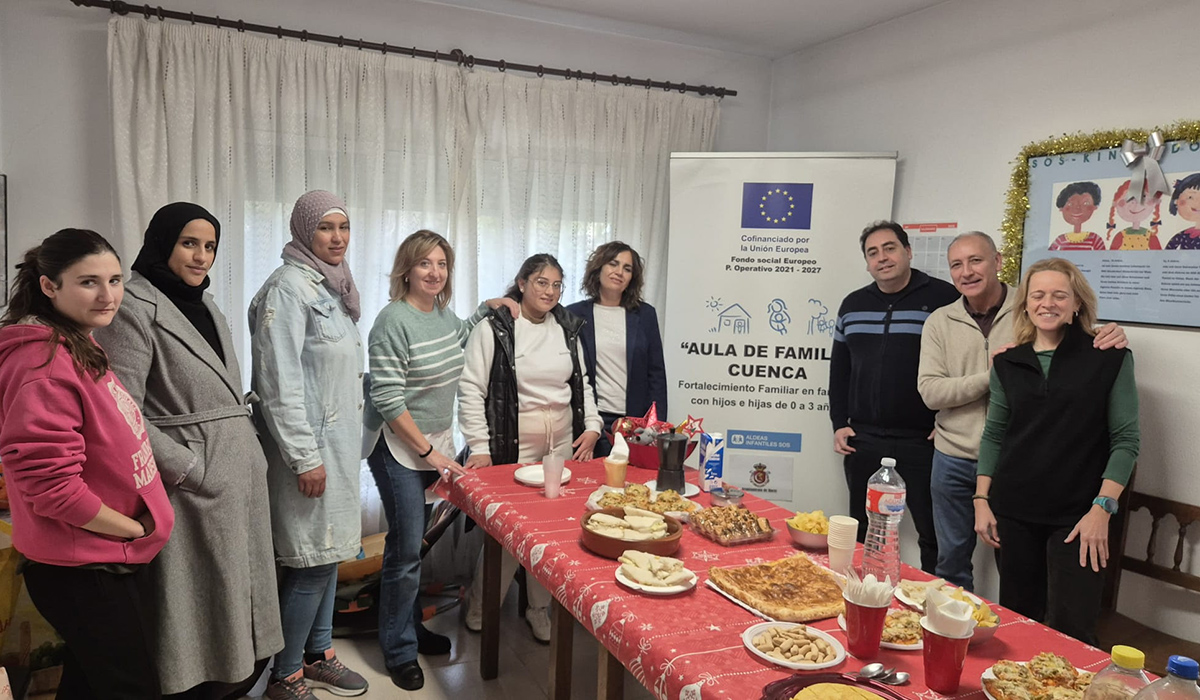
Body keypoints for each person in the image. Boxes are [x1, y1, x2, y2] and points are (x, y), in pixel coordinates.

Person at [93, 203, 284, 700]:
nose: (201, 257)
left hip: (238, 476)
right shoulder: (134, 307)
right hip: (191, 490)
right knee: (200, 625)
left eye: (210, 246)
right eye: (189, 243)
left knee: (244, 618)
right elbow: (122, 412)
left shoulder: (206, 305)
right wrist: (190, 469)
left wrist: (250, 456)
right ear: (163, 242)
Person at [0, 229, 174, 699]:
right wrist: (132, 529)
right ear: (49, 286)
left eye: (115, 280)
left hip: (95, 557)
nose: (108, 295)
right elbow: (51, 484)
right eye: (88, 282)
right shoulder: (43, 363)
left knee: (88, 682)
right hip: (84, 566)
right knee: (132, 689)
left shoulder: (76, 342)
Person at [917, 232, 1126, 591]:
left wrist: (1113, 334)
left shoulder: (1031, 306)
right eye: (957, 265)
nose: (967, 271)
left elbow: (1074, 349)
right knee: (951, 562)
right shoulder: (940, 321)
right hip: (953, 456)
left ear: (998, 261)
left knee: (1017, 572)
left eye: (976, 260)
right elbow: (931, 392)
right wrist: (995, 374)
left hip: (1017, 465)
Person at [363, 230, 518, 691]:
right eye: (424, 263)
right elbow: (388, 399)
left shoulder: (442, 315)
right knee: (407, 550)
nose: (434, 272)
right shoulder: (392, 320)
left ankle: (407, 629)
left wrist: (486, 308)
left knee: (414, 548)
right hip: (396, 446)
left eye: (442, 264)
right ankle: (398, 649)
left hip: (433, 444)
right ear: (406, 269)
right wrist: (432, 454)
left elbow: (457, 339)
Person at [974, 258, 1138, 645]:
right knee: (1018, 623)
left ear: (1077, 303)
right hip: (1013, 513)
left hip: (1080, 517)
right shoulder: (1007, 362)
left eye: (1059, 294)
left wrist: (1103, 509)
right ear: (1026, 304)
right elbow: (994, 434)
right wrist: (982, 498)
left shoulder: (1109, 357)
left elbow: (1126, 441)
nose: (1048, 303)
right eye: (1038, 295)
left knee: (1072, 631)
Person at [249, 191, 368, 700]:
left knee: (328, 555)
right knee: (308, 562)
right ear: (303, 232)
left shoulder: (332, 287)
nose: (337, 237)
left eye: (343, 227)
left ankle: (319, 654)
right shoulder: (287, 290)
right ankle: (286, 674)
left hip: (335, 447)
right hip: (309, 452)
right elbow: (279, 384)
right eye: (326, 228)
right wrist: (304, 456)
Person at [459, 254, 603, 642]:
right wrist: (479, 445)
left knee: (554, 533)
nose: (550, 291)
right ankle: (480, 605)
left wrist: (592, 425)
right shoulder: (496, 328)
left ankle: (538, 609)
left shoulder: (568, 328)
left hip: (560, 445)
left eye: (557, 285)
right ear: (522, 283)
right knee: (508, 534)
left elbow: (583, 384)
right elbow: (471, 389)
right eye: (541, 282)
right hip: (511, 445)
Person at [829, 221, 958, 573]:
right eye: (873, 253)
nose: (882, 258)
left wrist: (948, 418)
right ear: (867, 263)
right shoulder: (853, 305)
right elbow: (840, 371)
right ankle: (858, 598)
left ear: (908, 252)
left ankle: (931, 606)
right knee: (863, 528)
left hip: (924, 441)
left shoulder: (944, 298)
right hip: (864, 439)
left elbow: (965, 362)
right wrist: (839, 423)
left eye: (890, 248)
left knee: (933, 534)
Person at [565, 241, 667, 456]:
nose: (619, 272)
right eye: (613, 264)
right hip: (592, 421)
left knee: (633, 486)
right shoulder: (573, 315)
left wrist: (656, 425)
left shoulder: (646, 315)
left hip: (635, 423)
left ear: (632, 278)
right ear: (599, 268)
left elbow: (656, 373)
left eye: (627, 268)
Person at [1105, 180, 1163, 250]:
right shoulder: (1121, 236)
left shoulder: (1151, 237)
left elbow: (1159, 256)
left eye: (1143, 196)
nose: (1135, 203)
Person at [1049, 182, 1106, 251]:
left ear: (1094, 207)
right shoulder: (1060, 240)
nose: (1077, 209)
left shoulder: (1095, 240)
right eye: (1070, 204)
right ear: (1061, 208)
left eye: (1085, 203)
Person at [1165, 173, 1200, 250]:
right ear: (1176, 201)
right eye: (1190, 197)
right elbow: (1165, 257)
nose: (1198, 203)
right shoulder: (1182, 236)